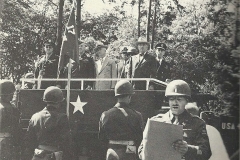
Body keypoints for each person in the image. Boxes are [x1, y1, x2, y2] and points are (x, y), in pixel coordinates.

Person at [138, 80, 212, 160]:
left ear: (186, 101)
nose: (175, 102)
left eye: (179, 99)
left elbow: (205, 152)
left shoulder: (198, 123)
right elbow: (141, 150)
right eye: (172, 99)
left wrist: (188, 149)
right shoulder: (155, 121)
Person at [23, 86, 75, 160]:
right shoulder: (62, 117)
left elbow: (29, 140)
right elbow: (66, 142)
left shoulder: (35, 116)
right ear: (59, 102)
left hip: (38, 156)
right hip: (54, 156)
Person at [99, 80, 144, 160]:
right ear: (129, 97)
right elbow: (140, 139)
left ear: (117, 96)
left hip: (111, 153)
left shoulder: (105, 115)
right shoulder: (137, 115)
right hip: (130, 154)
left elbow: (102, 139)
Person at [0, 80, 22, 159]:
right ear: (9, 94)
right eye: (12, 94)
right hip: (7, 143)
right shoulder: (12, 108)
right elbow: (17, 129)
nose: (13, 95)